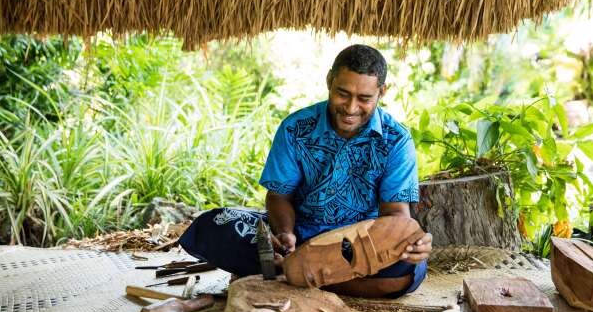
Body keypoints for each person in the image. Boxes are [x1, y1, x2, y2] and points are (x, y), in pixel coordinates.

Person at [179, 44, 432, 298]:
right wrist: (284, 233)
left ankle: (291, 275)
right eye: (343, 93)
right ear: (329, 81)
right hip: (298, 240)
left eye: (364, 98)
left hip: (355, 248)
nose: (351, 107)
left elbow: (396, 217)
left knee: (410, 267)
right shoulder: (295, 128)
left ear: (381, 92)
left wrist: (411, 241)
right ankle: (303, 271)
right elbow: (279, 196)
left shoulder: (396, 140)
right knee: (214, 225)